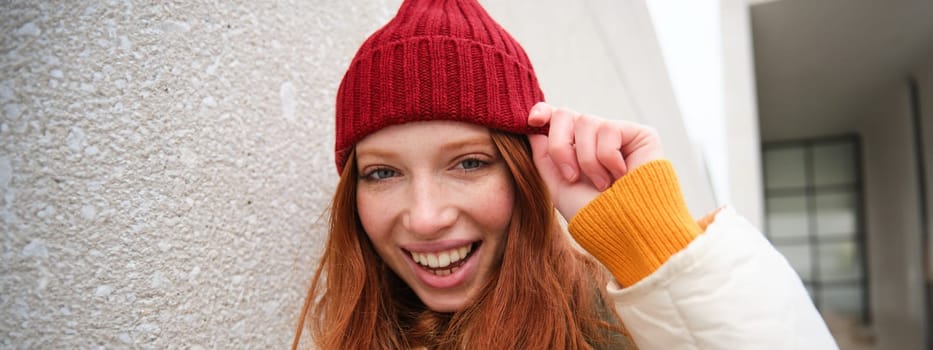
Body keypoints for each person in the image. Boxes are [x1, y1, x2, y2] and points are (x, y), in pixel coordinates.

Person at [294, 0, 839, 349]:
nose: (427, 216)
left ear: (525, 173)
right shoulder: (345, 329)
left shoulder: (610, 331)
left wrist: (654, 249)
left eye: (469, 163)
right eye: (384, 172)